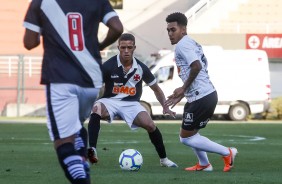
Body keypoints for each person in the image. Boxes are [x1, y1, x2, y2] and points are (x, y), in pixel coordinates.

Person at [23, 0, 123, 183]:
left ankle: (81, 176)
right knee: (76, 126)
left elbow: (30, 42)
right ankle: (82, 158)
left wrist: (48, 30)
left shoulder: (41, 1)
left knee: (62, 141)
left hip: (60, 77)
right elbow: (117, 27)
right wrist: (99, 46)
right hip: (91, 78)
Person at [87, 33, 178, 168]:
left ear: (134, 48)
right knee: (96, 109)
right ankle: (92, 149)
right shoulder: (108, 66)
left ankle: (164, 159)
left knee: (151, 125)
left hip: (131, 104)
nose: (126, 51)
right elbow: (94, 86)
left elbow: (157, 89)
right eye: (123, 47)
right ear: (118, 47)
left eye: (129, 47)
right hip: (110, 101)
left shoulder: (141, 68)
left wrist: (165, 106)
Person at [164, 12, 238, 172]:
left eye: (173, 29)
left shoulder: (183, 45)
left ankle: (228, 152)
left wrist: (183, 88)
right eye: (168, 30)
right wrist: (183, 93)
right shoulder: (192, 43)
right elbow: (201, 68)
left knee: (186, 138)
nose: (170, 33)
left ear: (183, 29)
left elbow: (196, 66)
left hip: (202, 97)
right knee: (192, 135)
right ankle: (204, 164)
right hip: (201, 96)